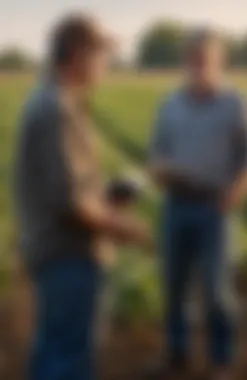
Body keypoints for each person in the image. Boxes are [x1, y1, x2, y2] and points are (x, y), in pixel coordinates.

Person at [14, 14, 151, 380]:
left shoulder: (56, 102)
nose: (105, 64)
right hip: (67, 255)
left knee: (54, 347)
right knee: (68, 358)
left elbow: (69, 190)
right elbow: (71, 206)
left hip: (57, 252)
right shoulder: (55, 109)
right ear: (78, 55)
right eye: (101, 54)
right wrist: (125, 228)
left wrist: (106, 199)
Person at [148, 29, 247, 380]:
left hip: (216, 207)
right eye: (193, 58)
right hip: (176, 204)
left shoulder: (236, 104)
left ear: (219, 61)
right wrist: (160, 170)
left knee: (216, 290)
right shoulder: (170, 105)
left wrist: (234, 194)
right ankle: (176, 354)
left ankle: (221, 361)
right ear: (185, 62)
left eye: (205, 58)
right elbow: (155, 156)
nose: (198, 65)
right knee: (174, 285)